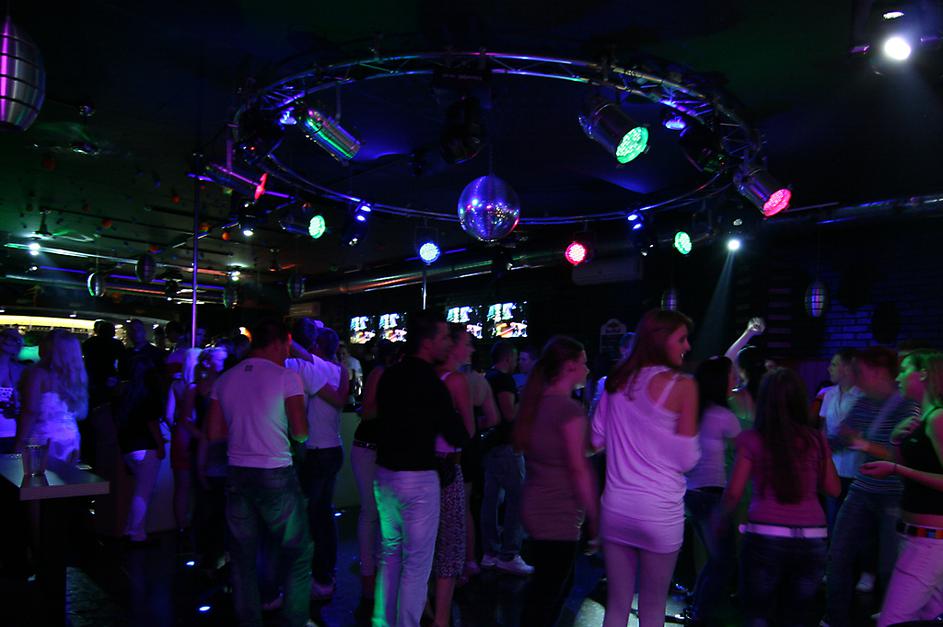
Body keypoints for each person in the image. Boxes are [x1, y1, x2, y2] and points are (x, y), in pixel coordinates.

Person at [591, 309, 700, 627]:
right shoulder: (683, 387)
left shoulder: (616, 382)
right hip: (659, 512)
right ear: (661, 340)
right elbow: (687, 459)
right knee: (652, 608)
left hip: (617, 508)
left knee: (617, 606)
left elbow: (595, 439)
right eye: (682, 339)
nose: (688, 346)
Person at [205, 319, 312, 627]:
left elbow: (214, 432)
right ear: (277, 342)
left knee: (242, 558)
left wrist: (245, 430)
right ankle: (294, 620)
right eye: (287, 346)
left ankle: (249, 621)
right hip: (275, 472)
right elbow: (301, 432)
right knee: (298, 552)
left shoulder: (225, 379)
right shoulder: (286, 377)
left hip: (238, 473)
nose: (288, 352)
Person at [721, 368, 840, 626]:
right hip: (811, 538)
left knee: (757, 614)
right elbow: (833, 488)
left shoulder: (752, 439)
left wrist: (721, 520)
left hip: (765, 534)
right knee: (796, 617)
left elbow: (733, 493)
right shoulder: (816, 440)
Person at [372, 310, 468, 627]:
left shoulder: (390, 375)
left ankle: (382, 621)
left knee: (390, 556)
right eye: (444, 337)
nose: (448, 343)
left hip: (385, 476)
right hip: (418, 480)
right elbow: (457, 434)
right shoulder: (431, 383)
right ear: (428, 342)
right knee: (416, 566)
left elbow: (377, 419)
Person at [825, 346, 921, 627]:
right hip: (863, 489)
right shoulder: (864, 403)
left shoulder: (908, 406)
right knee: (838, 554)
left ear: (879, 373)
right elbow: (840, 440)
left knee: (889, 565)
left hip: (894, 495)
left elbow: (904, 457)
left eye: (860, 371)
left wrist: (863, 444)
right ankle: (833, 618)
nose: (855, 376)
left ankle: (895, 618)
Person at [514, 336, 599, 627]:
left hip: (536, 503)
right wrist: (595, 518)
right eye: (584, 363)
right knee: (548, 594)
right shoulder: (568, 410)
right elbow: (578, 469)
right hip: (558, 510)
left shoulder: (535, 403)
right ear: (569, 366)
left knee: (546, 589)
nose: (588, 369)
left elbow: (557, 451)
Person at [860, 350, 943, 626]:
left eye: (905, 369)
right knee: (926, 617)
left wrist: (896, 468)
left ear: (923, 374)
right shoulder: (923, 419)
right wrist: (897, 442)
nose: (898, 377)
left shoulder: (938, 418)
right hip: (918, 537)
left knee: (892, 620)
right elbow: (914, 480)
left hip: (930, 541)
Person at [291, 327, 349, 600]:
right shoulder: (338, 370)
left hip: (317, 451)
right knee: (323, 514)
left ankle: (321, 575)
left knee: (317, 517)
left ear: (315, 346)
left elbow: (296, 350)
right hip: (333, 449)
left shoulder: (314, 366)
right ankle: (326, 573)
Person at [684, 355, 741, 625]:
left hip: (692, 493)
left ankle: (697, 604)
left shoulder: (694, 412)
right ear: (720, 381)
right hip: (710, 495)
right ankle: (700, 613)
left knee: (717, 557)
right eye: (731, 377)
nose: (735, 381)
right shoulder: (723, 416)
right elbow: (747, 447)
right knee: (724, 560)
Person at [430, 324, 477, 627]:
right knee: (449, 542)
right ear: (454, 346)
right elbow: (468, 431)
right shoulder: (456, 380)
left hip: (420, 465)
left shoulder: (427, 376)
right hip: (448, 464)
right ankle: (442, 618)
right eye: (467, 343)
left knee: (425, 541)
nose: (471, 349)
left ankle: (423, 607)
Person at [352, 339, 397, 615]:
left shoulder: (387, 374)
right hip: (368, 448)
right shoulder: (380, 373)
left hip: (379, 449)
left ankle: (378, 573)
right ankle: (368, 575)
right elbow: (367, 411)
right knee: (371, 512)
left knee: (381, 513)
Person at [481, 341, 533, 575]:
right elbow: (509, 414)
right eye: (516, 358)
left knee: (491, 499)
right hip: (506, 446)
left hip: (491, 445)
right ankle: (509, 553)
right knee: (517, 497)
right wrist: (525, 398)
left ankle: (490, 552)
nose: (517, 363)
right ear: (507, 358)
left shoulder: (487, 377)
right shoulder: (503, 380)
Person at [114, 319, 167, 543]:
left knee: (137, 489)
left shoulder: (124, 392)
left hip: (128, 445)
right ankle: (136, 532)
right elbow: (152, 421)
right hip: (146, 446)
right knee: (143, 491)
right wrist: (161, 445)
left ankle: (130, 529)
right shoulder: (150, 393)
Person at [14, 330, 88, 463]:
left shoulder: (38, 373)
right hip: (71, 437)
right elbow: (80, 413)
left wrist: (20, 442)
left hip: (43, 436)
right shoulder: (76, 376)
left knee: (35, 474)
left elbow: (30, 411)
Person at [816, 349, 865, 537]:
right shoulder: (829, 394)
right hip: (832, 468)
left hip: (855, 470)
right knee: (832, 521)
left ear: (847, 368)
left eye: (834, 364)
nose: (829, 368)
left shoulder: (863, 397)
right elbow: (823, 429)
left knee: (851, 526)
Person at [192, 346, 229, 572]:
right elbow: (200, 427)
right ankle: (211, 558)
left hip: (214, 455)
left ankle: (211, 558)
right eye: (220, 358)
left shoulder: (221, 386)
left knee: (213, 510)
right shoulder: (206, 389)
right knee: (212, 510)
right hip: (214, 455)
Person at [166, 348, 201, 536]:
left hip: (180, 435)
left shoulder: (176, 385)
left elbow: (168, 415)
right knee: (199, 485)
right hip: (196, 434)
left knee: (181, 486)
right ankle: (196, 526)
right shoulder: (200, 386)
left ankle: (181, 527)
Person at [81, 320, 125, 464]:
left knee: (90, 421)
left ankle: (89, 454)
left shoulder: (89, 343)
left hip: (92, 383)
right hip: (109, 384)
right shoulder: (116, 344)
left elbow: (85, 362)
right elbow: (122, 364)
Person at [725, 318, 766, 423]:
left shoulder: (736, 396)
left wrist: (748, 333)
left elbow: (726, 362)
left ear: (741, 369)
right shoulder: (770, 391)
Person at [0, 328, 26, 453]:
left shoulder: (21, 370)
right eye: (5, 336)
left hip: (12, 433)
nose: (8, 340)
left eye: (15, 339)